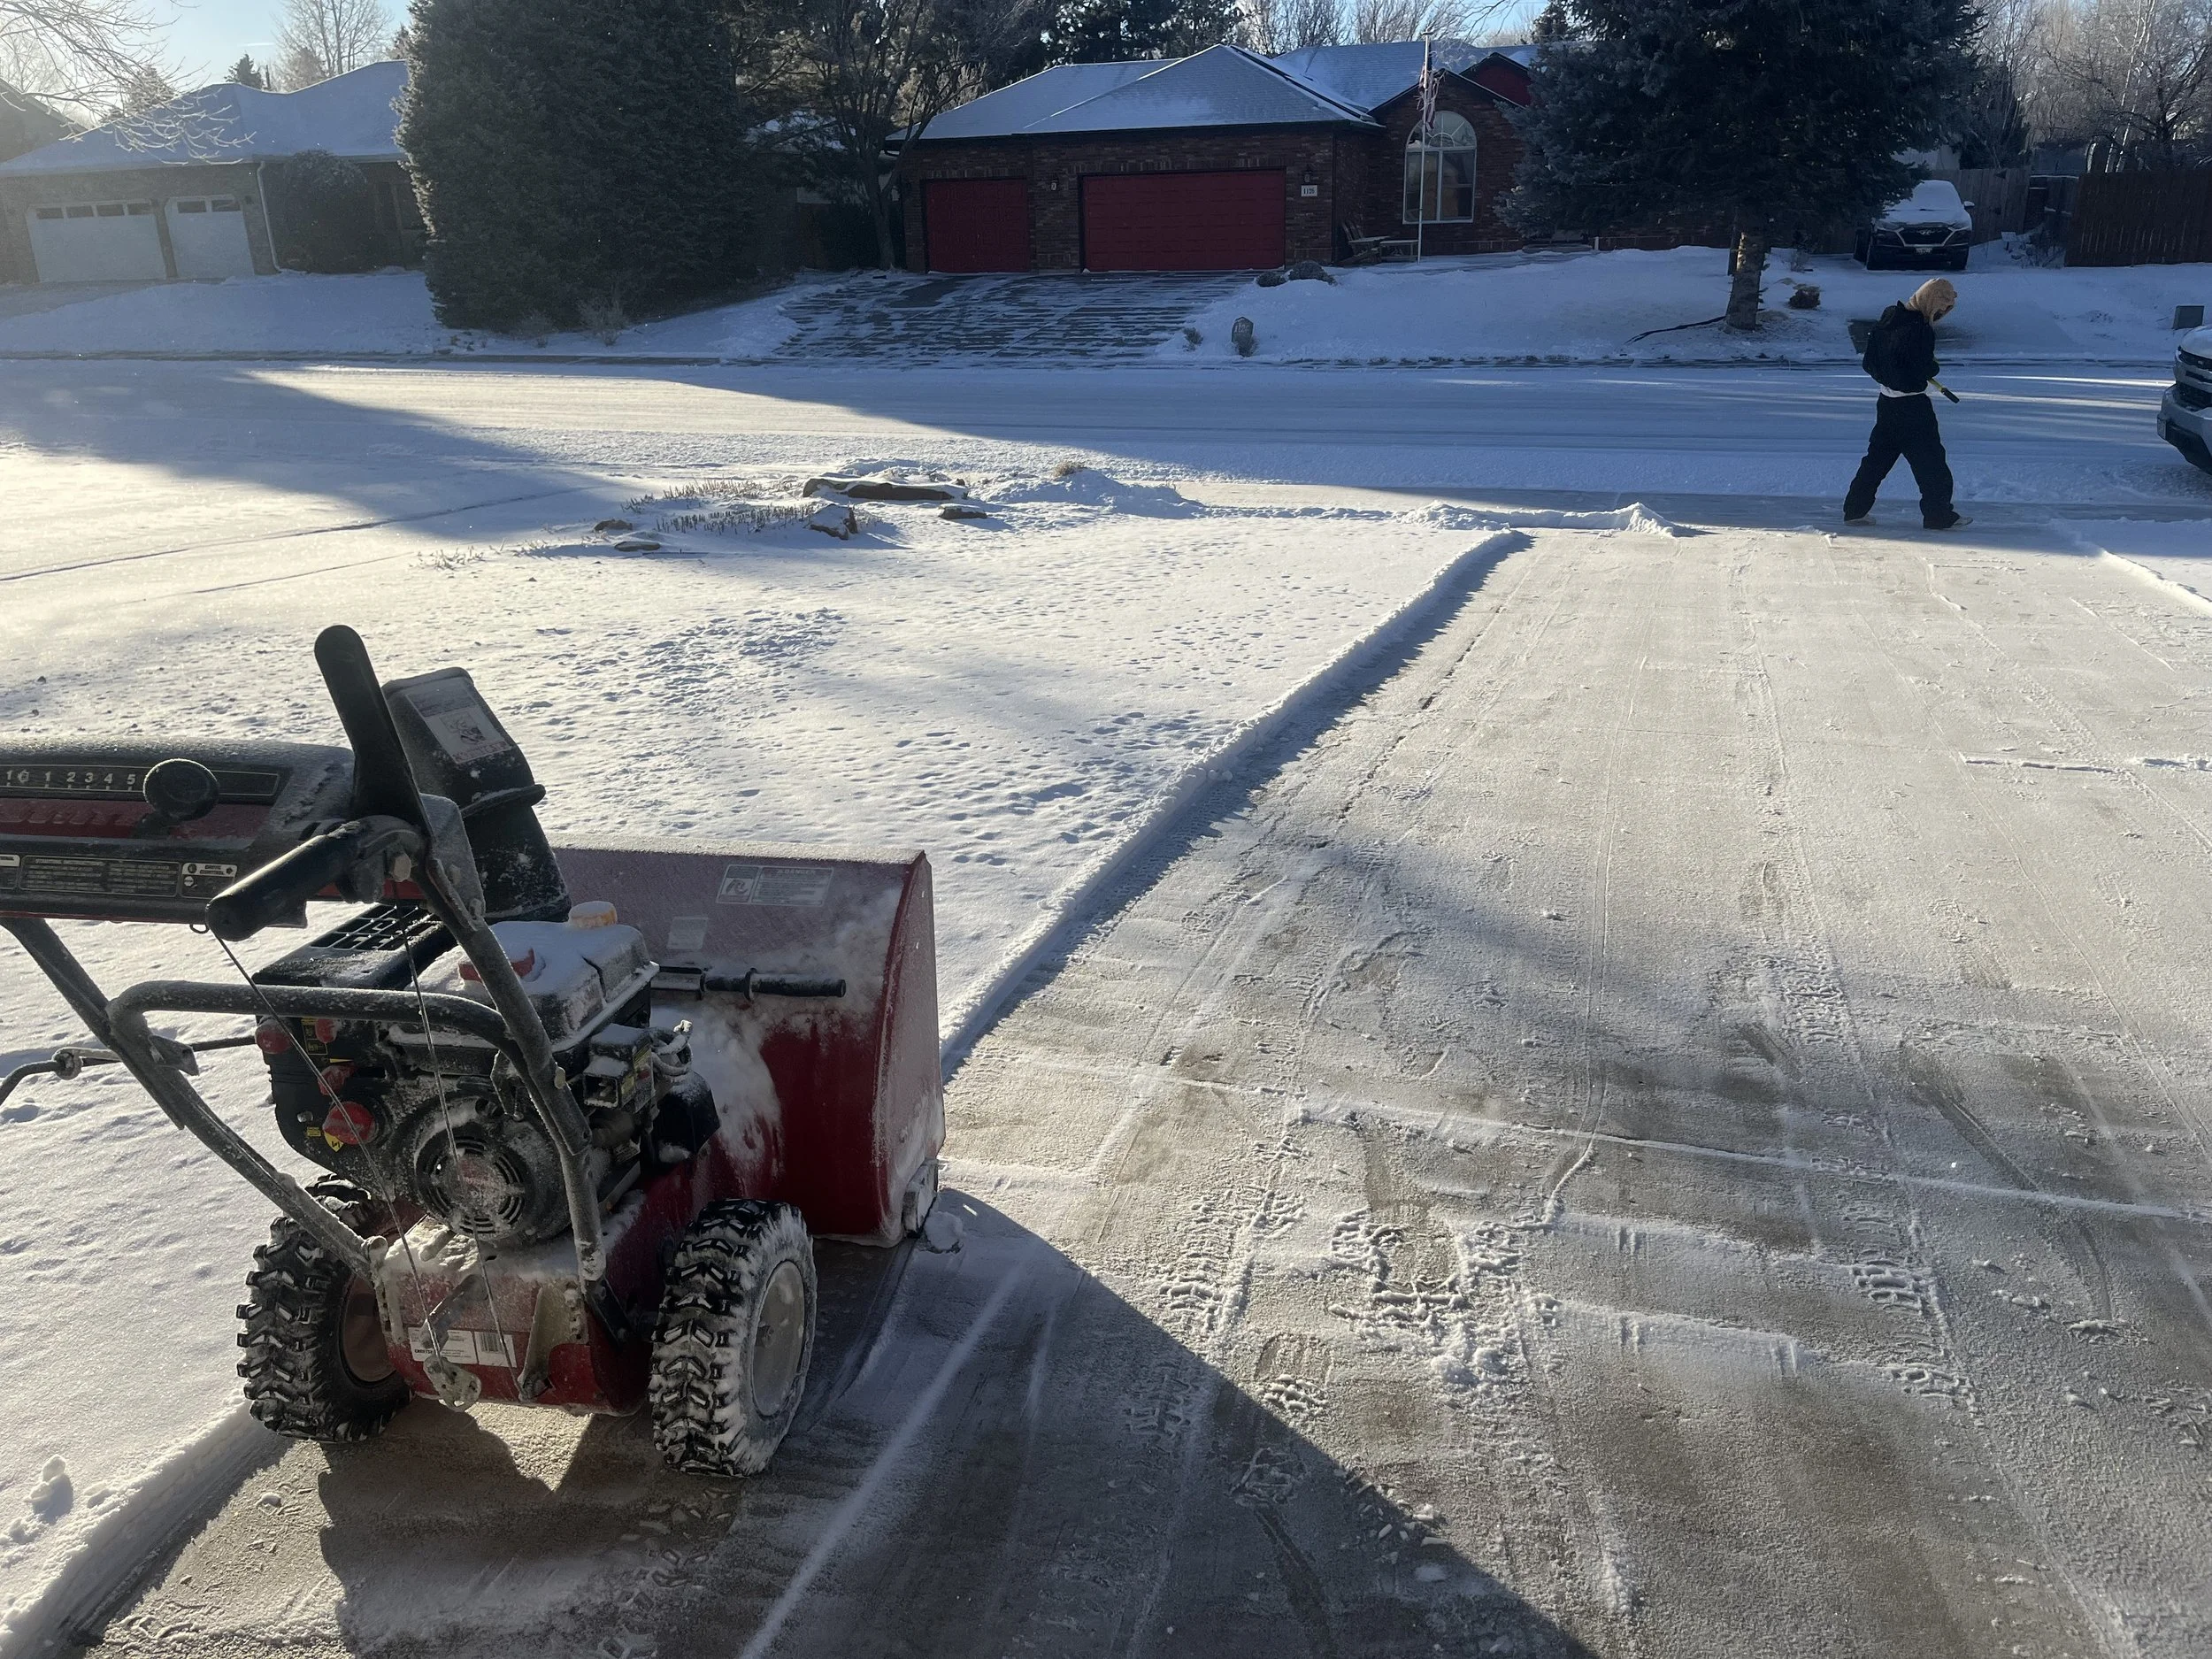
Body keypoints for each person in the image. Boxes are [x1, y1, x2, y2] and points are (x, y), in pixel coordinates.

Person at [1843, 277, 1970, 530]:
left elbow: (1870, 362)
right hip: (1913, 408)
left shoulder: (1890, 318)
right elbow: (1922, 368)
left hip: (1887, 403)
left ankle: (1854, 509)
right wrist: (1928, 369)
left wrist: (1890, 379)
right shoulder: (1920, 330)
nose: (1941, 314)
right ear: (1931, 301)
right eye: (1941, 308)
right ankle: (1938, 515)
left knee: (1877, 459)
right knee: (1931, 462)